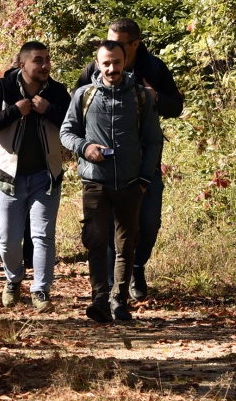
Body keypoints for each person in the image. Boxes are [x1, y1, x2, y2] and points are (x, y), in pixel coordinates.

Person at [73, 18, 184, 302]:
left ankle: (136, 266)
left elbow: (176, 106)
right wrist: (85, 149)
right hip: (102, 169)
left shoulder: (154, 68)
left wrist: (154, 97)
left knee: (148, 224)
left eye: (119, 44)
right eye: (107, 41)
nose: (110, 51)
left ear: (134, 45)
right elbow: (76, 108)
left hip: (142, 163)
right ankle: (114, 291)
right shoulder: (95, 66)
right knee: (110, 230)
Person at [62, 39, 164, 324]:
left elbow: (154, 141)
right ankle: (99, 300)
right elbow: (66, 131)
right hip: (95, 183)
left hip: (131, 183)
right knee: (95, 242)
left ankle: (119, 301)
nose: (111, 68)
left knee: (126, 245)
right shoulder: (84, 95)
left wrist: (144, 179)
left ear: (124, 62)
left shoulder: (140, 96)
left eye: (117, 62)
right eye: (106, 63)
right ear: (98, 64)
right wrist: (84, 148)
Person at [0, 41, 69, 312]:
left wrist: (48, 109)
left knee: (43, 236)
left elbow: (76, 125)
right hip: (8, 177)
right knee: (8, 238)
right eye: (38, 60)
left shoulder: (58, 92)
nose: (45, 65)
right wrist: (16, 110)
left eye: (48, 60)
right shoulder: (2, 88)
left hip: (46, 176)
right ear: (23, 64)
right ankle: (13, 279)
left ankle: (41, 291)